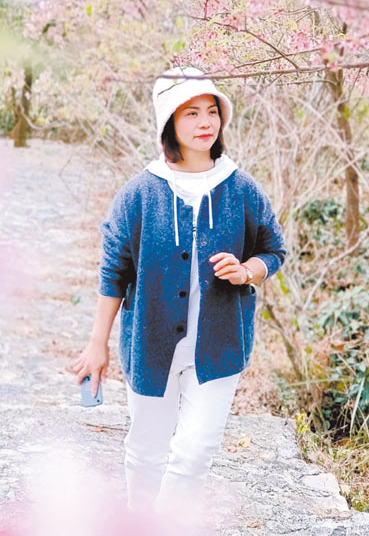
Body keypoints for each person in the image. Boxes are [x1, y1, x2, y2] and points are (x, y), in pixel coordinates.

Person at [73, 65, 287, 528]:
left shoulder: (242, 189)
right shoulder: (138, 195)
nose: (205, 122)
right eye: (191, 113)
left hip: (219, 347)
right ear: (170, 122)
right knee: (147, 451)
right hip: (149, 346)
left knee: (196, 450)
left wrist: (248, 270)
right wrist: (97, 343)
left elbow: (275, 249)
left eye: (212, 111)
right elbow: (114, 273)